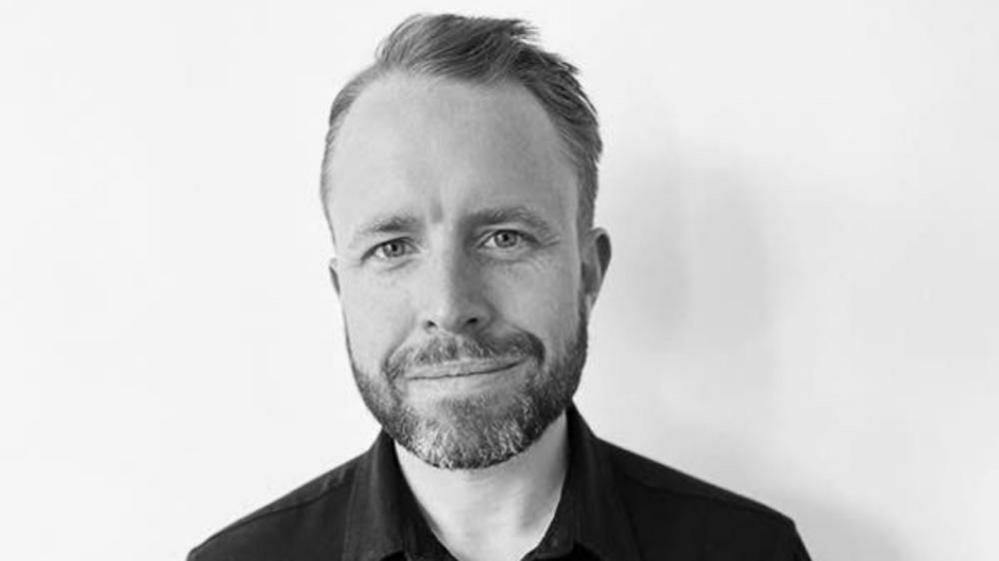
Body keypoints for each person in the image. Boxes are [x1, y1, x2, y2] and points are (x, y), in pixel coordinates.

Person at [189, 13, 811, 561]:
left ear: (589, 273)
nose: (450, 306)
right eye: (392, 248)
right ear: (340, 291)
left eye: (504, 238)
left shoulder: (751, 552)